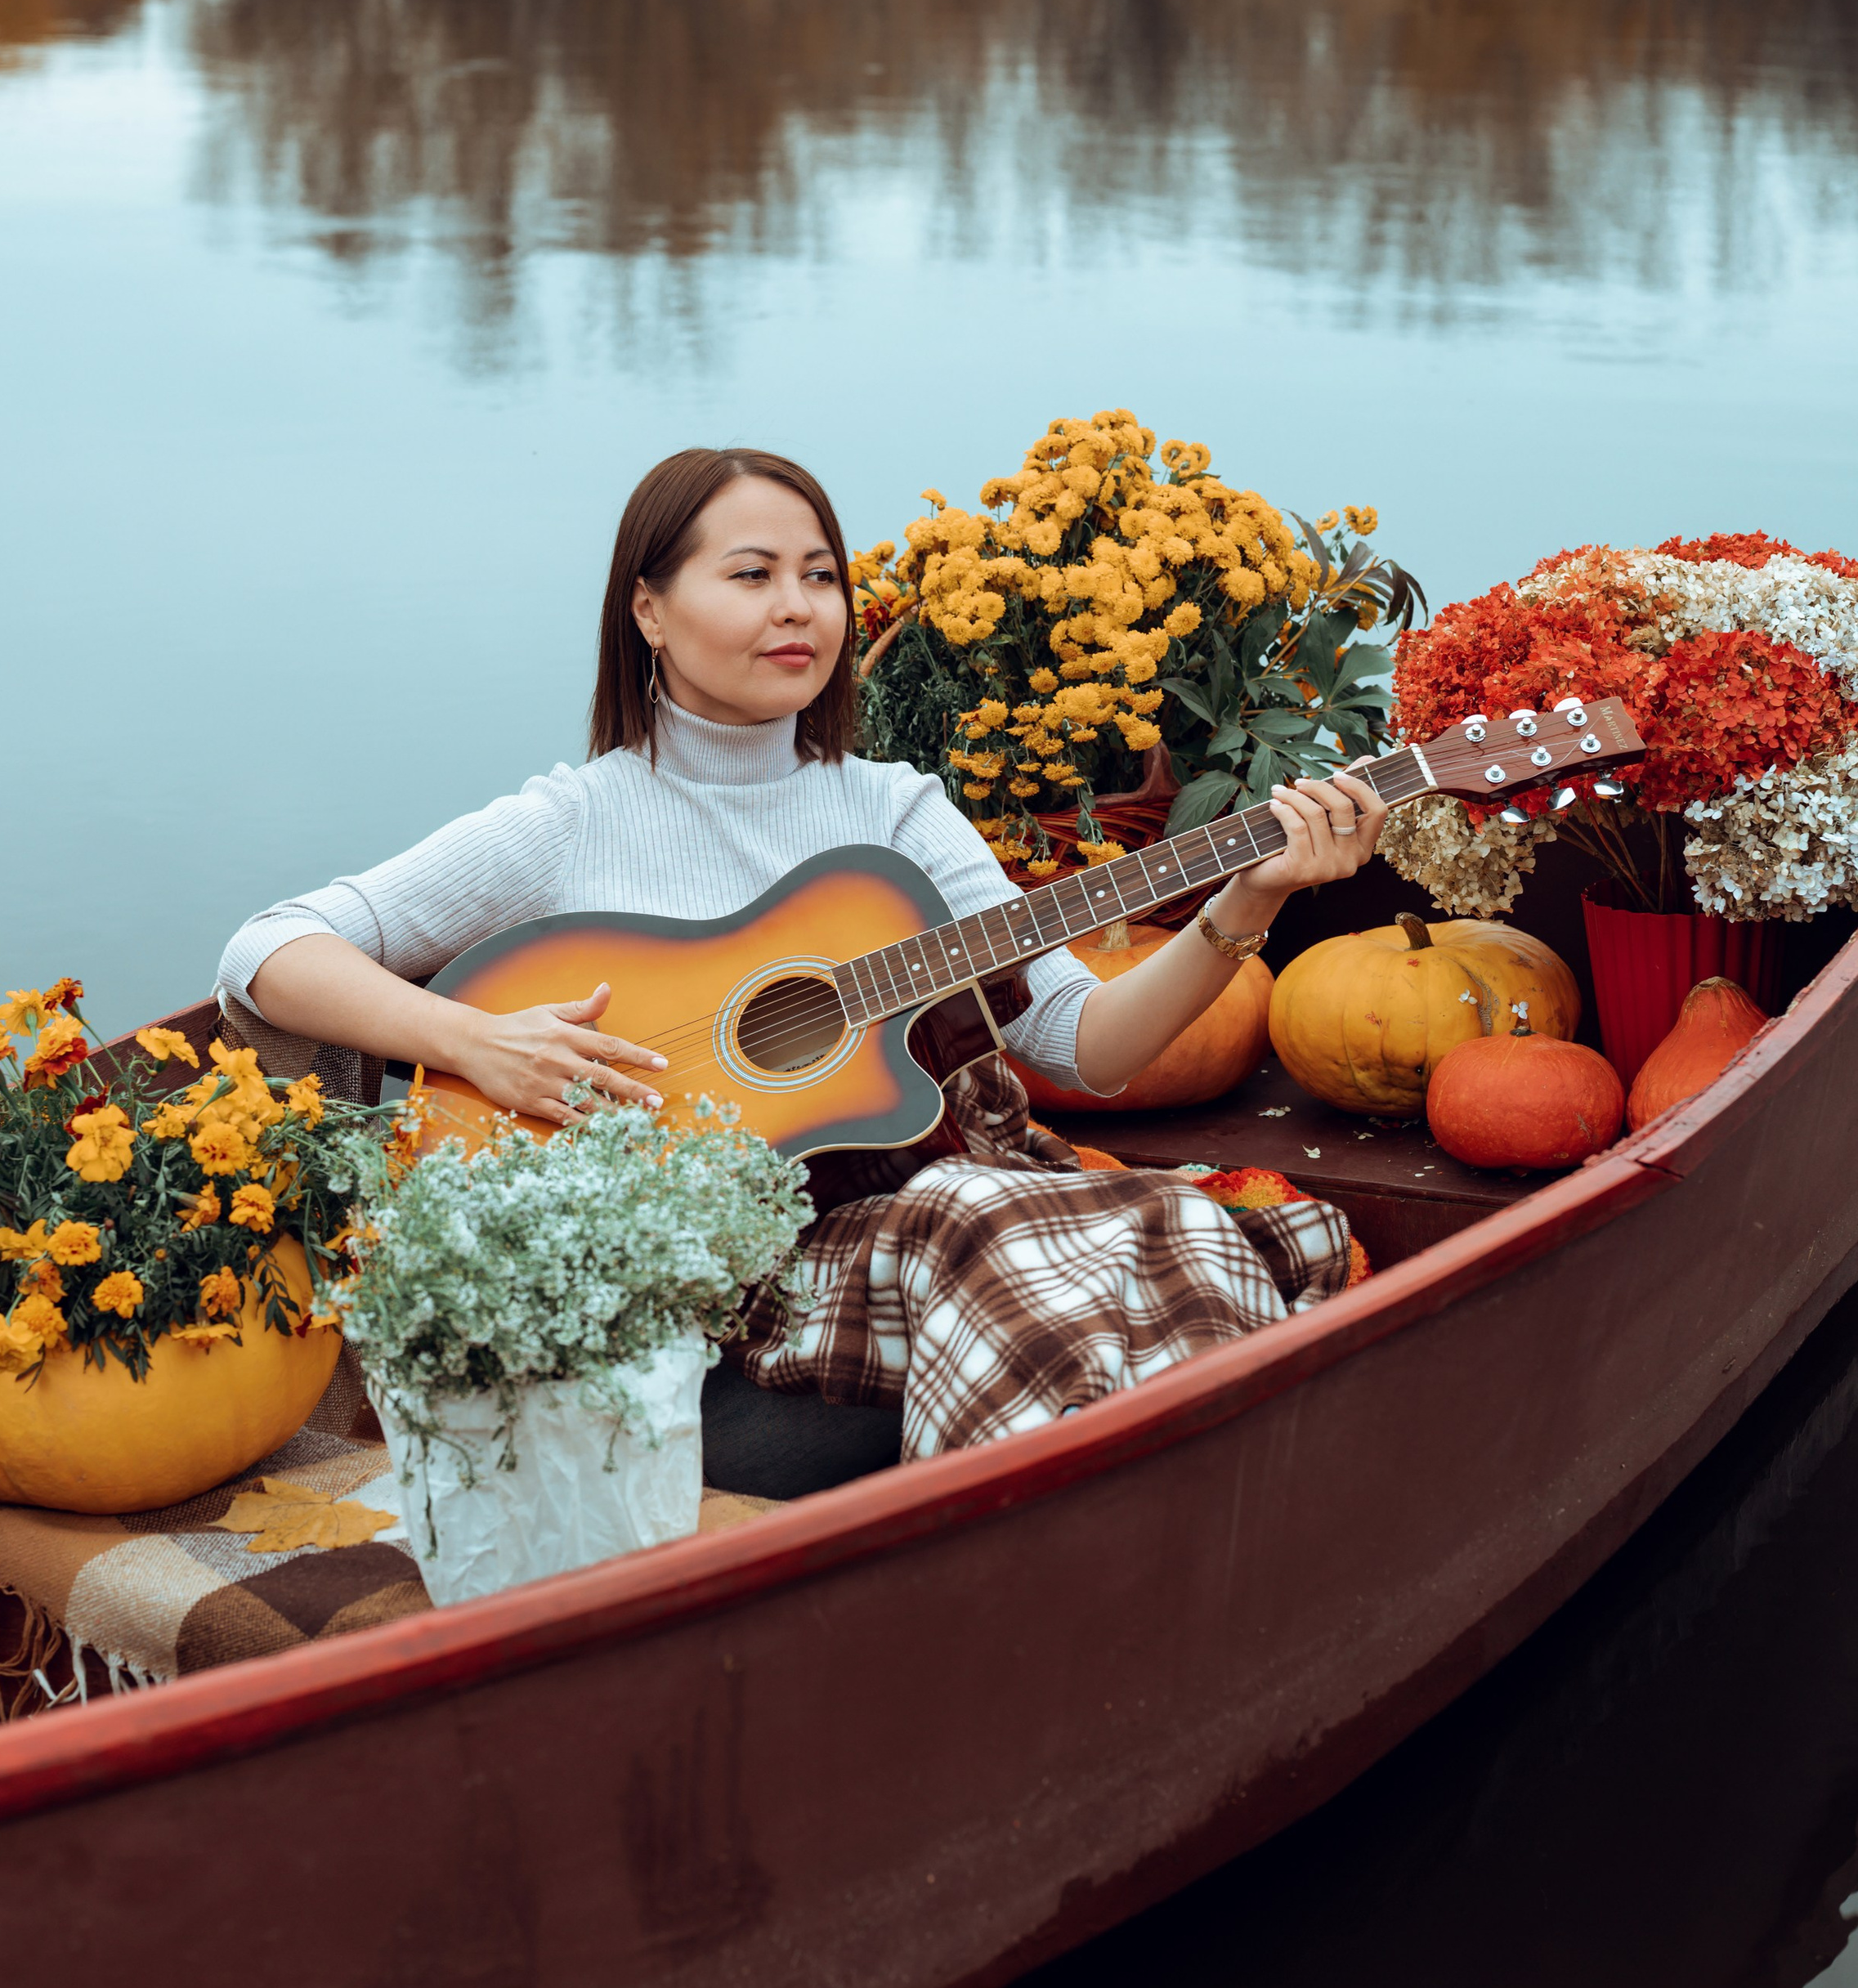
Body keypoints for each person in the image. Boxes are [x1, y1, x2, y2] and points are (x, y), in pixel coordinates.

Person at [218, 446, 1386, 1487]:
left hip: (905, 1215)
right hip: (701, 1277)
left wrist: (1248, 901)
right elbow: (268, 950)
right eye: (752, 574)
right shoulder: (573, 822)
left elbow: (1084, 1046)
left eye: (822, 576)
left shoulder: (893, 813)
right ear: (650, 612)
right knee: (983, 1222)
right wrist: (476, 1040)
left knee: (1143, 1228)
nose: (800, 610)